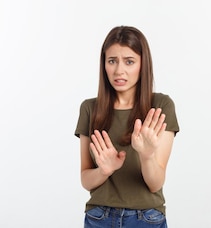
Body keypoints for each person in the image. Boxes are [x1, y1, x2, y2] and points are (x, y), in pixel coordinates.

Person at [74, 25, 180, 228]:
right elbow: (86, 180)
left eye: (129, 62)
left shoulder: (160, 106)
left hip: (147, 218)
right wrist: (104, 171)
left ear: (143, 64)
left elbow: (155, 183)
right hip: (99, 218)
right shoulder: (89, 108)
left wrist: (147, 156)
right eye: (112, 61)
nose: (118, 71)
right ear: (104, 64)